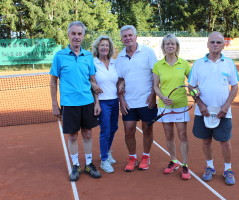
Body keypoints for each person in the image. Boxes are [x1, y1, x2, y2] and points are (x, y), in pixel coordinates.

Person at [50, 21, 101, 181]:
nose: (77, 37)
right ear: (68, 35)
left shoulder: (88, 56)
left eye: (80, 34)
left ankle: (89, 164)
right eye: (74, 33)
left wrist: (97, 102)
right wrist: (54, 105)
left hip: (87, 102)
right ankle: (75, 166)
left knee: (87, 133)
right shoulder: (59, 56)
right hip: (69, 104)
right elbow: (53, 82)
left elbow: (93, 81)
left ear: (83, 36)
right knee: (72, 136)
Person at [188, 31, 239, 185]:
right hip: (202, 112)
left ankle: (228, 169)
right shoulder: (198, 63)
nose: (215, 45)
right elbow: (191, 86)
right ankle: (210, 167)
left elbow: (235, 87)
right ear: (207, 44)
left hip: (223, 112)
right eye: (212, 42)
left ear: (223, 45)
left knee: (225, 142)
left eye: (218, 42)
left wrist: (226, 106)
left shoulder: (229, 63)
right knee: (206, 140)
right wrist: (201, 105)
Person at [115, 25, 158, 172]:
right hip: (129, 102)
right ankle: (132, 157)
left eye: (130, 35)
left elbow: (155, 75)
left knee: (147, 128)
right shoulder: (120, 57)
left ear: (135, 37)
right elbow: (119, 81)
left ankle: (146, 156)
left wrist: (153, 95)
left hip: (147, 100)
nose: (128, 38)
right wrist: (122, 101)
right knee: (129, 131)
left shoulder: (148, 52)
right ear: (122, 39)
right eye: (125, 36)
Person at [152, 34, 192, 180]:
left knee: (182, 135)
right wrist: (162, 97)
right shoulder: (158, 65)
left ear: (176, 47)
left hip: (181, 104)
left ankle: (185, 164)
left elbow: (192, 82)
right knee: (169, 135)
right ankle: (173, 160)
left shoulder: (184, 64)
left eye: (173, 44)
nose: (170, 46)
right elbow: (155, 86)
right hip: (164, 106)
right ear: (163, 47)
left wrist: (193, 91)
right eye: (167, 44)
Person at [91, 35, 118, 173]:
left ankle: (106, 152)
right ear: (97, 47)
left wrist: (122, 85)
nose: (105, 47)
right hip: (102, 102)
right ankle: (104, 160)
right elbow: (89, 79)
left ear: (110, 48)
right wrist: (96, 101)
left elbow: (119, 79)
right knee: (105, 130)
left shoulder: (114, 63)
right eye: (102, 45)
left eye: (107, 45)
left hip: (115, 100)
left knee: (114, 128)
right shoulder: (93, 62)